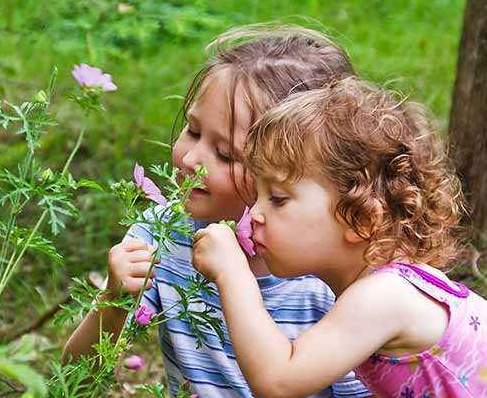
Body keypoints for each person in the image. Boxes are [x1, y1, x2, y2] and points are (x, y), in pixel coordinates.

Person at [63, 24, 372, 397]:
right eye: (192, 131)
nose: (191, 158)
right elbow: (74, 379)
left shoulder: (327, 279)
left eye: (225, 154)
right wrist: (115, 300)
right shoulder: (161, 239)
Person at [192, 76, 487, 397]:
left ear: (360, 219)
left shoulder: (385, 296)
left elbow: (278, 381)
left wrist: (232, 274)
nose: (255, 214)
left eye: (277, 198)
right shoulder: (388, 287)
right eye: (257, 196)